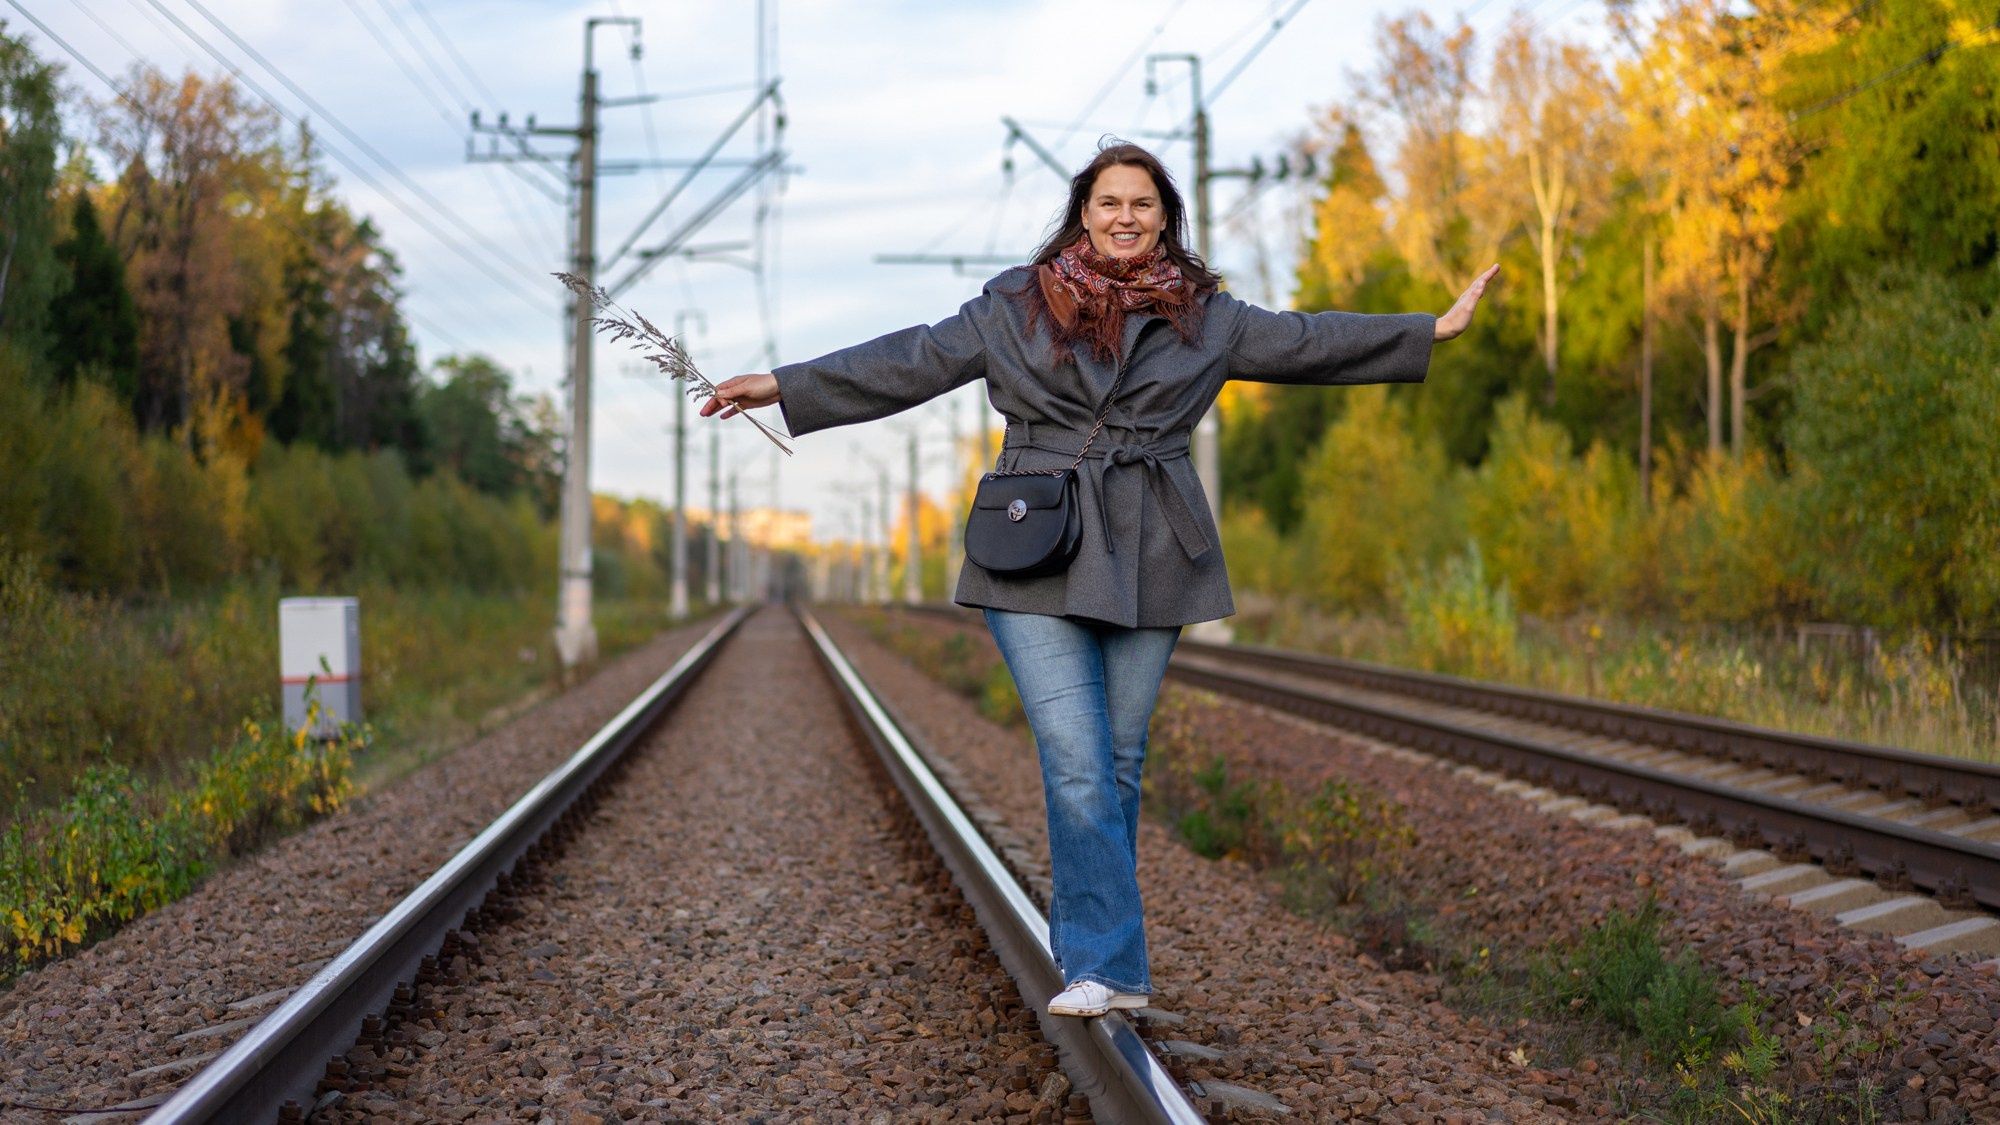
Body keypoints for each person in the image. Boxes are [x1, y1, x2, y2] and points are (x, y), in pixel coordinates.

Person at [704, 142, 1496, 1018]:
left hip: (1155, 547)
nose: (1126, 218)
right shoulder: (1014, 305)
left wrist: (1429, 329)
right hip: (1035, 544)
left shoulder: (1209, 317)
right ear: (1084, 212)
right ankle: (1104, 964)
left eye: (1144, 206)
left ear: (1166, 218)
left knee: (1118, 763)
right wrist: (783, 384)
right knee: (1078, 760)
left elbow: (1308, 340)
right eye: (1111, 202)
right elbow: (915, 358)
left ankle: (1103, 954)